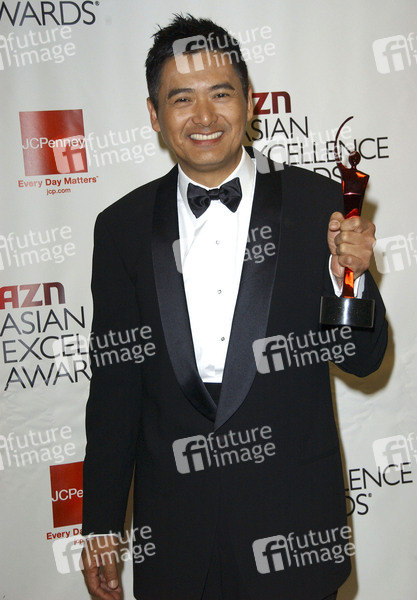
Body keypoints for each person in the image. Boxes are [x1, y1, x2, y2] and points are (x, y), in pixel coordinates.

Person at [81, 14, 387, 600]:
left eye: (220, 94)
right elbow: (115, 390)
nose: (203, 117)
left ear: (249, 102)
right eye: (181, 99)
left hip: (293, 530)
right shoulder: (120, 228)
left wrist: (345, 277)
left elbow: (362, 360)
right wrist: (100, 528)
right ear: (154, 115)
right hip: (174, 537)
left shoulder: (320, 204)